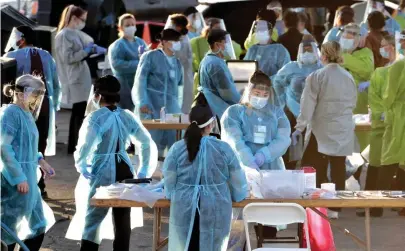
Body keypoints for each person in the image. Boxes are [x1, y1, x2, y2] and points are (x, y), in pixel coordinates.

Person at [65, 75, 158, 250]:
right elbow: (145, 142)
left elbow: (85, 147)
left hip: (103, 171)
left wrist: (82, 165)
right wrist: (144, 169)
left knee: (93, 219)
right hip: (125, 169)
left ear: (97, 95)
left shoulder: (95, 118)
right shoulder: (126, 115)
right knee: (122, 219)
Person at [163, 104, 247, 251]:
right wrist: (238, 195)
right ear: (212, 124)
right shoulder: (224, 148)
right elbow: (237, 179)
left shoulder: (177, 148)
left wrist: (172, 195)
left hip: (184, 206)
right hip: (216, 206)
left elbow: (169, 180)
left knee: (187, 244)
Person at [294, 41, 357, 219]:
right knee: (338, 167)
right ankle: (336, 208)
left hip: (321, 128)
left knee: (314, 166)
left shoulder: (316, 76)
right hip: (343, 127)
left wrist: (299, 127)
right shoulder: (348, 76)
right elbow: (352, 102)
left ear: (323, 55)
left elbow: (307, 105)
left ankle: (318, 205)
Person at [4, 25, 61, 198]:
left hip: (19, 110)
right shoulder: (46, 55)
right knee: (38, 143)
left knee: (18, 145)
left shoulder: (11, 56)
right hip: (43, 108)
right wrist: (54, 106)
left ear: (20, 38)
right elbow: (56, 85)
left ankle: (18, 181)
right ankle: (39, 185)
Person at [1, 75, 56, 251]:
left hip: (30, 177)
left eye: (40, 94)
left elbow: (27, 145)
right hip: (17, 180)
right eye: (35, 93)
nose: (37, 99)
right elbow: (3, 147)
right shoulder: (11, 113)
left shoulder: (26, 114)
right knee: (9, 227)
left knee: (39, 224)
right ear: (21, 92)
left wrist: (40, 160)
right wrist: (18, 177)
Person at [375, 23, 405, 217]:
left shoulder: (400, 65)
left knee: (388, 160)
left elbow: (388, 96)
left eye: (402, 40)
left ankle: (376, 206)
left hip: (401, 116)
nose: (399, 43)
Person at [55, 5, 107, 154]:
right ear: (73, 18)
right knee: (79, 113)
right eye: (82, 19)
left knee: (82, 112)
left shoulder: (75, 33)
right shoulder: (64, 35)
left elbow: (87, 44)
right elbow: (68, 58)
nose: (83, 22)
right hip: (74, 77)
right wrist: (86, 51)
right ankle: (74, 146)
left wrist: (93, 49)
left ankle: (77, 144)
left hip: (80, 76)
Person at [221, 70, 291, 171]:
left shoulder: (277, 113)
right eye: (257, 93)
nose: (260, 98)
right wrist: (248, 160)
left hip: (272, 168)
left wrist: (265, 154)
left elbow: (283, 139)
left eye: (265, 95)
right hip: (243, 167)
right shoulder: (234, 112)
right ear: (249, 91)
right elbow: (234, 139)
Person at [359, 33, 396, 217]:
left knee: (382, 165)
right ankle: (371, 205)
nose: (382, 49)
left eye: (385, 46)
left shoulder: (399, 69)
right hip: (379, 122)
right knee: (376, 164)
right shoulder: (386, 68)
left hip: (388, 123)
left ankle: (376, 206)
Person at [273, 34, 322, 169]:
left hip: (315, 116)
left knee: (311, 153)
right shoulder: (291, 68)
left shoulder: (322, 68)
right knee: (289, 150)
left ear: (316, 50)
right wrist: (282, 100)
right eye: (304, 50)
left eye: (310, 50)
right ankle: (288, 177)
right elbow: (277, 82)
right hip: (292, 113)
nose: (307, 53)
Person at [132, 29, 183, 157]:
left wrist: (180, 110)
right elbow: (140, 81)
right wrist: (142, 102)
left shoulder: (177, 63)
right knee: (152, 148)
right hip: (151, 109)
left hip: (172, 111)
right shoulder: (150, 57)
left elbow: (179, 88)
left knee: (173, 149)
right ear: (164, 42)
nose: (178, 43)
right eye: (175, 41)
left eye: (179, 41)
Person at [340, 23, 374, 151]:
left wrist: (345, 58)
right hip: (339, 105)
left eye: (353, 36)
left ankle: (359, 170)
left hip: (359, 105)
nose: (348, 39)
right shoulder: (335, 52)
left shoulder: (366, 53)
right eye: (346, 36)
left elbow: (366, 70)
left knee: (360, 145)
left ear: (359, 38)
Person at [198, 29, 241, 118]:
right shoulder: (216, 64)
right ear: (217, 44)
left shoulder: (209, 60)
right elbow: (228, 93)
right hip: (219, 111)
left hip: (214, 109)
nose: (229, 45)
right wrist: (243, 102)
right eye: (226, 42)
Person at [108, 13, 147, 111]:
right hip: (124, 86)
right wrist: (139, 63)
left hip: (139, 84)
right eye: (127, 25)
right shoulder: (118, 45)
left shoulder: (140, 42)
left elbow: (148, 60)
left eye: (133, 24)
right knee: (126, 113)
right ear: (120, 28)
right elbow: (117, 65)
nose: (131, 27)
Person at [165, 14, 194, 114]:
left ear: (178, 27)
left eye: (172, 25)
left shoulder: (181, 41)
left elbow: (177, 59)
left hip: (182, 77)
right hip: (180, 76)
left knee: (181, 107)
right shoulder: (182, 38)